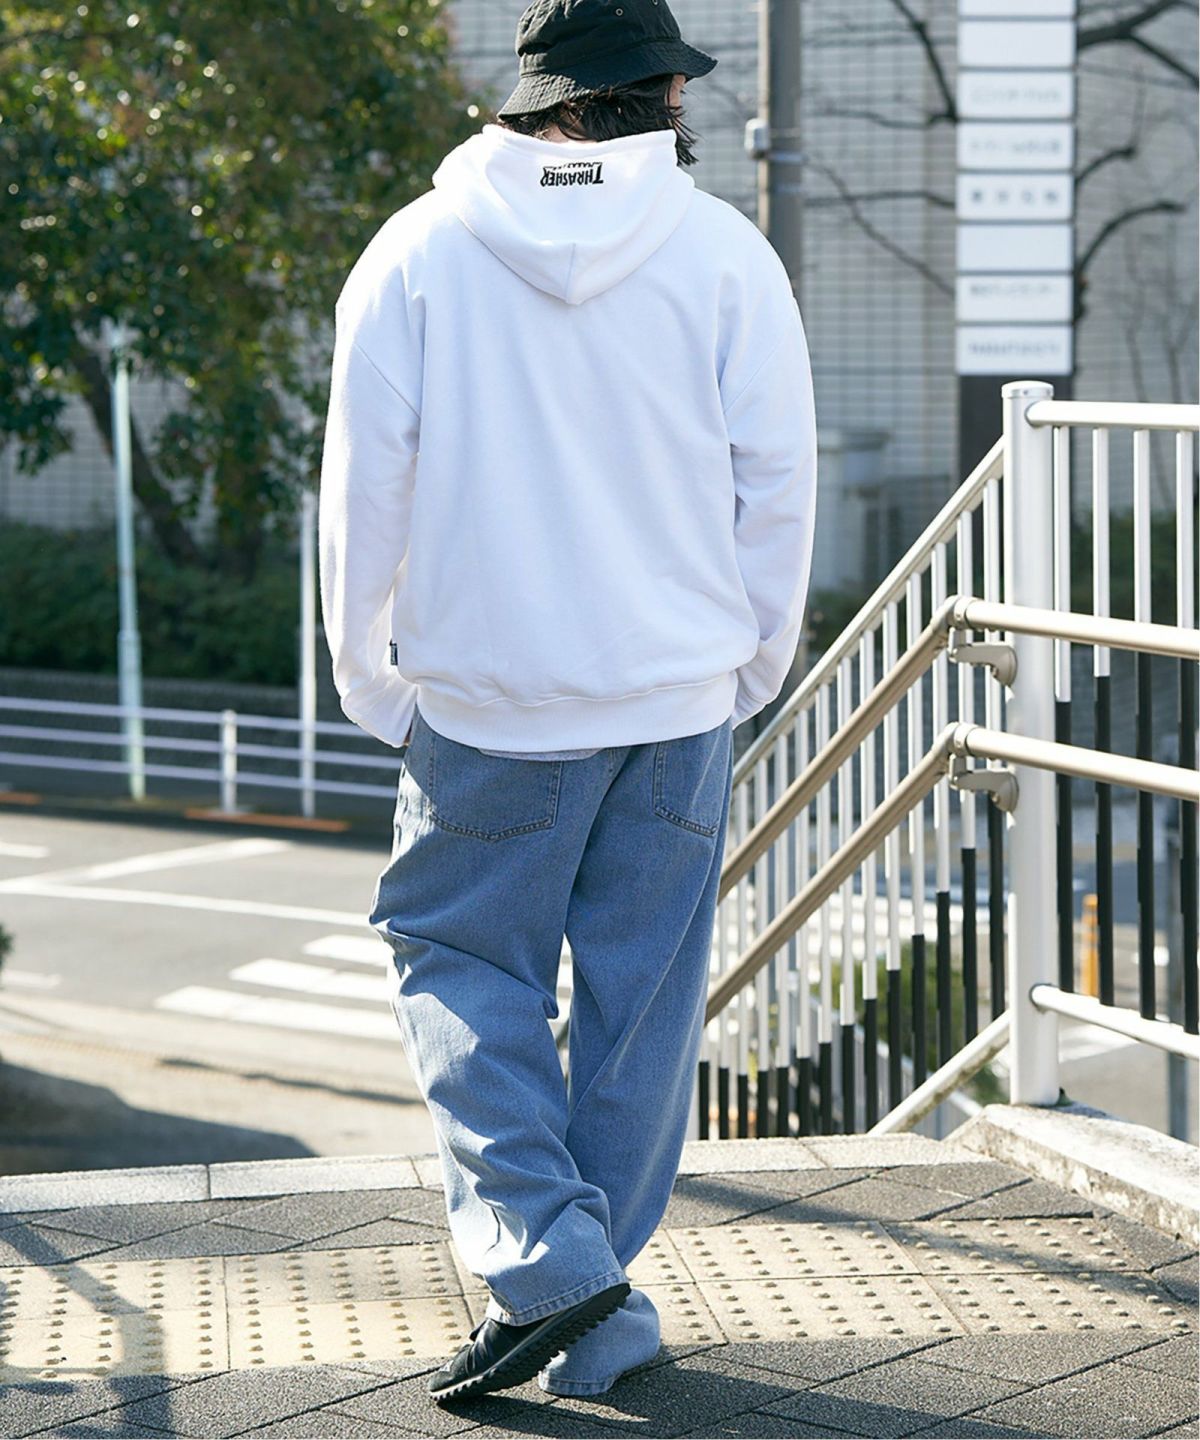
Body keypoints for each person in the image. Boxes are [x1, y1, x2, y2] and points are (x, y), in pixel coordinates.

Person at [317, 0, 818, 1405]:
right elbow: (778, 483)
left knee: (454, 960)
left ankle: (547, 1258)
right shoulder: (726, 256)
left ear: (539, 99)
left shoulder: (415, 254)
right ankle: (593, 1316)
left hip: (489, 707)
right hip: (678, 700)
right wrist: (751, 664)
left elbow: (363, 491)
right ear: (655, 98)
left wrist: (371, 679)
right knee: (638, 1011)